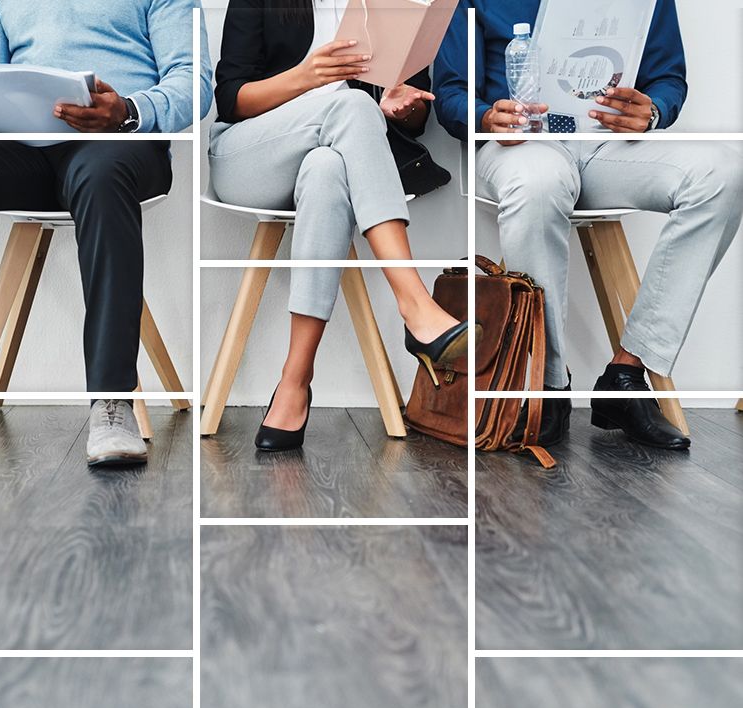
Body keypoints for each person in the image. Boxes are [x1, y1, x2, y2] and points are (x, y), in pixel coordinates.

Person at [0, 0, 212, 467]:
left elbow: (194, 80)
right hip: (26, 147)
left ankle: (113, 404)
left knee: (101, 174)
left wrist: (129, 111)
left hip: (120, 142)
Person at [434, 0, 743, 450]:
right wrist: (484, 116)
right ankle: (548, 387)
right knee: (538, 182)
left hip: (606, 142)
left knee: (723, 174)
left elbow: (668, 78)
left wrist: (652, 110)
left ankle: (627, 374)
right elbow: (451, 91)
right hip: (521, 142)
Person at [210, 0, 473, 451]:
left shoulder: (391, 7)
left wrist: (394, 107)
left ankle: (294, 382)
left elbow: (417, 116)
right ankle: (415, 304)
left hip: (335, 157)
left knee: (329, 168)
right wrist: (310, 77)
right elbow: (232, 99)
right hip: (249, 155)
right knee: (350, 105)